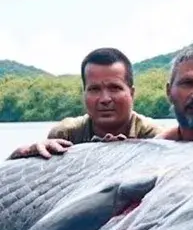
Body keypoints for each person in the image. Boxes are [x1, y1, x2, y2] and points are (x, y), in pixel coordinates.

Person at [8, 47, 163, 159]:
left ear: (132, 93)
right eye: (94, 89)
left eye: (115, 88)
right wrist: (25, 154)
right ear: (84, 94)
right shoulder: (66, 134)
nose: (105, 99)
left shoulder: (154, 136)